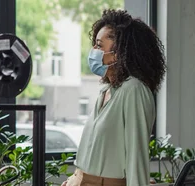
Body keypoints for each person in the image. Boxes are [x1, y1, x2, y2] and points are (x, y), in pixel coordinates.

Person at [62, 9, 167, 186]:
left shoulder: (134, 90)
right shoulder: (106, 91)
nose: (93, 51)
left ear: (119, 53)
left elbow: (136, 157)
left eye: (99, 45)